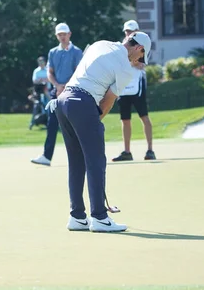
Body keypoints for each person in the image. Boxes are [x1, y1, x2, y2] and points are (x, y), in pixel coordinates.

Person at [53, 31, 151, 232]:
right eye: (140, 56)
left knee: (77, 161)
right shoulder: (125, 68)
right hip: (82, 102)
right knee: (96, 160)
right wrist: (91, 123)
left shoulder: (100, 44)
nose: (137, 60)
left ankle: (77, 217)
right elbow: (107, 102)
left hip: (62, 102)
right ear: (139, 48)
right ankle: (99, 217)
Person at [31, 23, 83, 166]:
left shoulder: (77, 52)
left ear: (69, 34)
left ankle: (83, 155)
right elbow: (50, 72)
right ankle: (47, 156)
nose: (62, 37)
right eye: (59, 34)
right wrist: (57, 85)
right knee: (52, 123)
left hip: (73, 92)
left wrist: (65, 86)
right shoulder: (53, 52)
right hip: (56, 91)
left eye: (64, 34)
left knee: (75, 125)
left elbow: (78, 73)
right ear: (56, 36)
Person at [113, 20, 156, 161]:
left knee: (144, 116)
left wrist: (127, 60)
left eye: (131, 30)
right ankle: (127, 151)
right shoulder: (122, 46)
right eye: (126, 31)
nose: (128, 33)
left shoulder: (143, 45)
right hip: (124, 87)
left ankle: (150, 150)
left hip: (137, 86)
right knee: (125, 119)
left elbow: (138, 63)